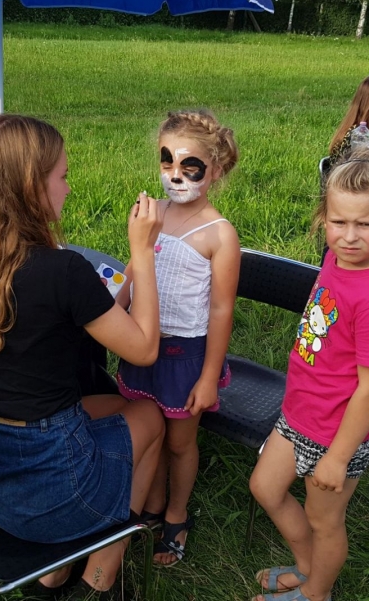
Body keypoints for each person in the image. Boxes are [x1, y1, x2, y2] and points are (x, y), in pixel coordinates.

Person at [0, 114, 165, 600]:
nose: (68, 186)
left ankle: (52, 576)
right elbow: (145, 348)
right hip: (57, 485)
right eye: (62, 176)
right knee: (148, 415)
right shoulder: (64, 271)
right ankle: (100, 575)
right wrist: (142, 251)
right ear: (31, 187)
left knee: (112, 406)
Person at [249, 149, 369, 601]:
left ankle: (316, 593)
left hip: (338, 432)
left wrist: (337, 458)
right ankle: (308, 568)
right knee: (265, 487)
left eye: (365, 225)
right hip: (301, 412)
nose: (349, 236)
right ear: (324, 217)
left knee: (324, 520)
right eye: (339, 222)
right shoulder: (337, 259)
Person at [115, 110, 241, 566]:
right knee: (150, 433)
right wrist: (115, 305)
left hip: (185, 356)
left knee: (179, 442)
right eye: (166, 161)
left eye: (190, 166)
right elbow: (135, 265)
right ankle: (151, 501)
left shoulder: (220, 235)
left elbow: (221, 311)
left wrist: (208, 377)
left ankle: (176, 513)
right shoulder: (153, 212)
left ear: (216, 169)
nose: (174, 174)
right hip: (140, 346)